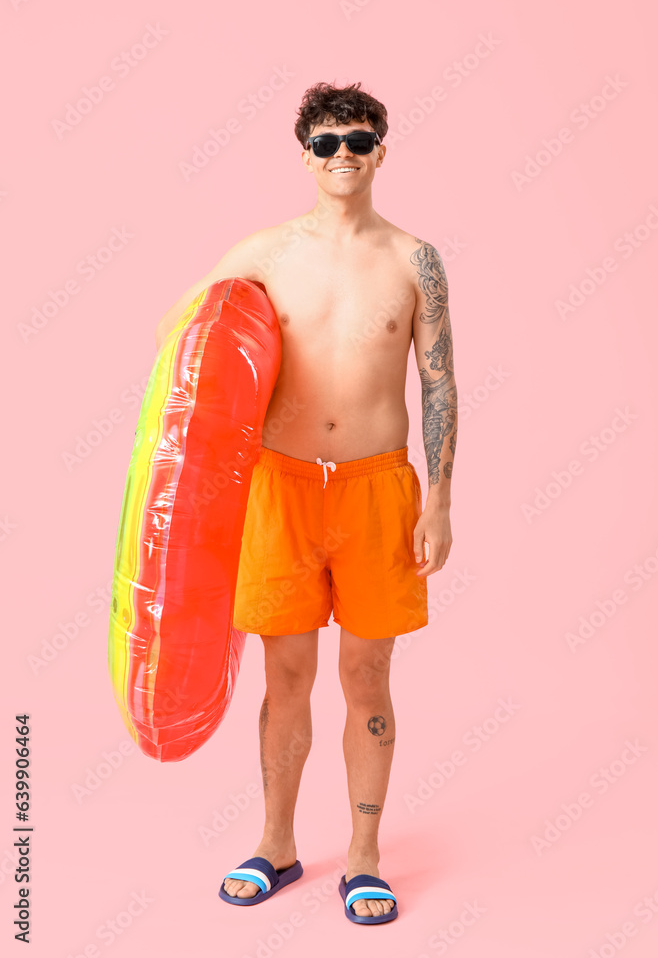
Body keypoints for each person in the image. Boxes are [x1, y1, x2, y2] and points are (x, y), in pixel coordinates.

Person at [155, 81, 457, 925]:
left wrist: (439, 500)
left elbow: (437, 383)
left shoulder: (413, 259)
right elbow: (180, 335)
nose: (343, 155)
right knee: (285, 677)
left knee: (368, 674)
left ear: (381, 152)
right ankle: (277, 845)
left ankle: (363, 858)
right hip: (280, 487)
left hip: (376, 488)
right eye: (326, 143)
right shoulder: (265, 253)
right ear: (305, 156)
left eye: (358, 140)